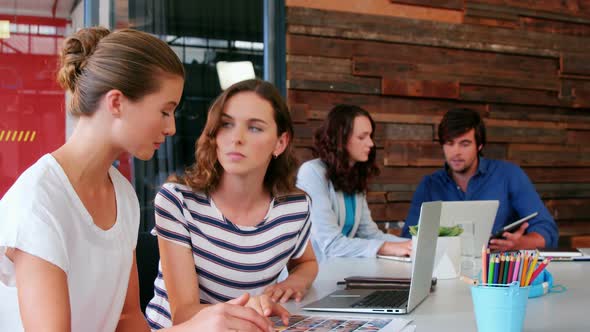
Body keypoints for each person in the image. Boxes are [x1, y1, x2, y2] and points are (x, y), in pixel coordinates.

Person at [0, 27, 276, 332]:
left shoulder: (122, 194)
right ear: (117, 103)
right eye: (165, 111)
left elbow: (126, 319)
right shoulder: (40, 202)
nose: (171, 128)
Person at [145, 79, 318, 329]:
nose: (236, 138)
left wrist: (294, 283)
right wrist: (251, 309)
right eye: (226, 124)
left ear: (280, 143)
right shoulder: (178, 201)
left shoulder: (295, 208)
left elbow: (306, 263)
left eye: (255, 128)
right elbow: (184, 313)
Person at [402, 108, 559, 250]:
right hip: (445, 270)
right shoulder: (430, 185)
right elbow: (409, 239)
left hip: (497, 271)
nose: (455, 152)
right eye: (449, 143)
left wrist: (519, 243)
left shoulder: (509, 175)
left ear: (479, 145)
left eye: (464, 144)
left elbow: (547, 230)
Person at [296, 104, 412, 262]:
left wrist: (413, 245)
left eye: (370, 136)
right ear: (341, 140)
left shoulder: (353, 175)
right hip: (315, 273)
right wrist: (387, 247)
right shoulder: (311, 172)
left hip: (342, 269)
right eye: (362, 137)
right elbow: (331, 244)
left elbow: (370, 234)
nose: (371, 143)